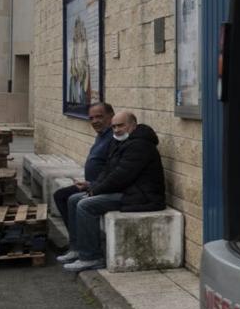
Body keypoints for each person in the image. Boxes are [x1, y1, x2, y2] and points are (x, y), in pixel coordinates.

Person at [62, 110, 167, 272]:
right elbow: (108, 170)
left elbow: (121, 176)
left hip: (142, 196)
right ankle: (77, 249)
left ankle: (91, 257)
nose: (117, 130)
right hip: (128, 191)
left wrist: (95, 191)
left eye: (121, 126)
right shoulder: (120, 142)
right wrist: (92, 185)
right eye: (114, 127)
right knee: (73, 199)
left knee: (85, 205)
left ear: (133, 125)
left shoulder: (140, 145)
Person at [52, 102, 115, 236]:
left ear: (111, 116)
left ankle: (79, 243)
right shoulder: (102, 135)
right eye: (91, 118)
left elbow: (112, 171)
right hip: (91, 184)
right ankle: (76, 242)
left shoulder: (113, 138)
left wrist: (91, 185)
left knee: (70, 199)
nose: (95, 121)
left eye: (99, 117)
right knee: (60, 195)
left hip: (100, 187)